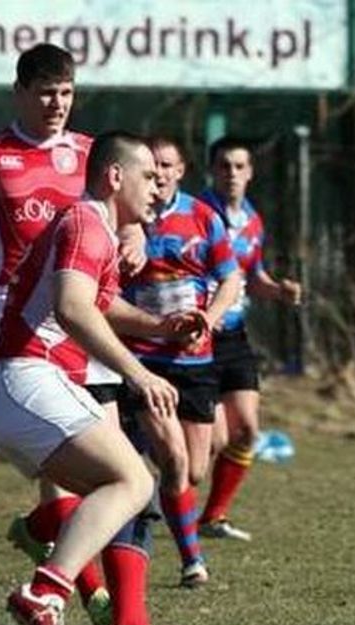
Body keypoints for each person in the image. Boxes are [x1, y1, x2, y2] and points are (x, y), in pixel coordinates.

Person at [0, 43, 140, 625]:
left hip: (85, 306)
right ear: (20, 92)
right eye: (47, 92)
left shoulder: (89, 153)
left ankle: (62, 564)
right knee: (60, 461)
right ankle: (93, 595)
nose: (58, 104)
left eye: (67, 93)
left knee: (105, 448)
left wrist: (136, 241)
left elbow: (127, 222)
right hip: (17, 311)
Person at [0, 131, 201, 625]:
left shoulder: (94, 226)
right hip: (29, 379)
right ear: (115, 177)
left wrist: (161, 327)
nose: (158, 187)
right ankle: (45, 591)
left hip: (22, 390)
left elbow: (99, 305)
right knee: (133, 481)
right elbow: (75, 309)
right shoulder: (85, 221)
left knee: (124, 496)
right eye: (149, 176)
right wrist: (137, 373)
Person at [120, 135, 241, 588]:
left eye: (167, 166)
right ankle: (193, 562)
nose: (161, 175)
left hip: (197, 361)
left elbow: (230, 279)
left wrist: (208, 320)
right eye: (152, 168)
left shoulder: (202, 216)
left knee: (193, 470)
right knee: (171, 460)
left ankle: (136, 470)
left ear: (181, 170)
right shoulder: (127, 218)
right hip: (146, 360)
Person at [196, 136, 302, 542]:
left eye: (240, 166)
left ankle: (213, 517)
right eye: (224, 166)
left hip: (236, 333)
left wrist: (278, 291)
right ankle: (157, 507)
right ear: (212, 170)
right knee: (210, 440)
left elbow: (250, 278)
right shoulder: (198, 213)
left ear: (251, 172)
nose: (232, 174)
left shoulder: (253, 221)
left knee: (246, 433)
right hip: (202, 336)